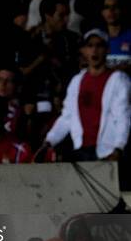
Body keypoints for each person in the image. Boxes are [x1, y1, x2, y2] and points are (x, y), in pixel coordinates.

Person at [42, 28, 131, 161]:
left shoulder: (118, 79)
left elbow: (123, 116)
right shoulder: (77, 81)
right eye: (90, 46)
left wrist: (119, 147)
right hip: (81, 150)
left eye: (99, 45)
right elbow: (67, 116)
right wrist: (49, 140)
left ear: (107, 50)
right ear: (84, 51)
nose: (94, 50)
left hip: (108, 151)